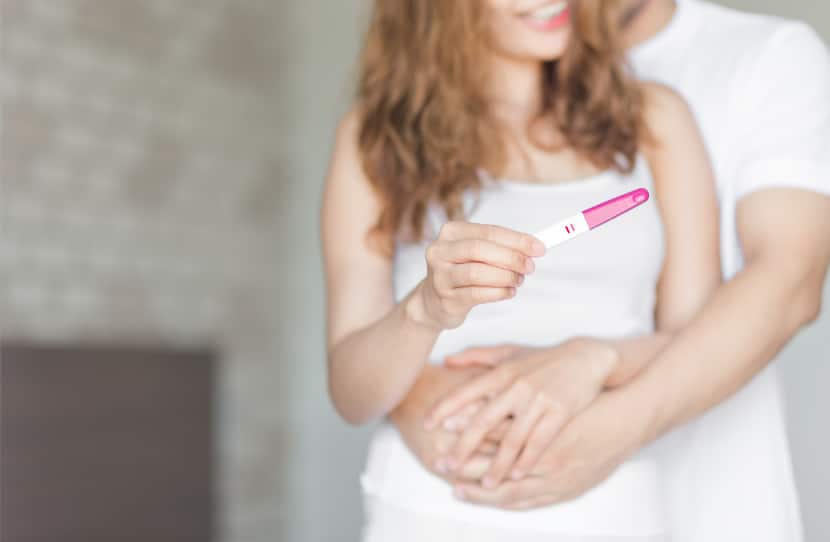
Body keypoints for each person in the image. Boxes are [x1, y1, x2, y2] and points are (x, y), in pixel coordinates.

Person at [378, 1, 830, 541]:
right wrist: (417, 398)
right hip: (457, 497)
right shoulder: (422, 121)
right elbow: (367, 365)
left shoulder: (761, 59)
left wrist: (599, 403)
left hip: (706, 493)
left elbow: (790, 283)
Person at [321, 0, 731, 540]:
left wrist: (591, 358)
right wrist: (424, 310)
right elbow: (353, 395)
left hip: (611, 504)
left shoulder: (655, 119)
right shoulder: (374, 138)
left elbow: (702, 345)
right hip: (433, 503)